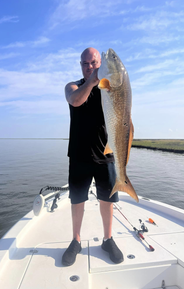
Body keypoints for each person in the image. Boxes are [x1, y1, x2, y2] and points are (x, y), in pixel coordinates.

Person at [62, 47, 123, 266]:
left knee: (107, 200)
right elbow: (75, 101)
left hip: (105, 155)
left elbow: (121, 106)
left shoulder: (108, 88)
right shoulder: (73, 86)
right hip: (79, 155)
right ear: (81, 66)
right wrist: (92, 82)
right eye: (85, 63)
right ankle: (76, 240)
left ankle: (108, 239)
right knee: (77, 200)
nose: (90, 67)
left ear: (100, 64)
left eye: (94, 63)